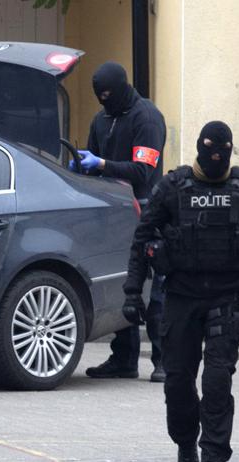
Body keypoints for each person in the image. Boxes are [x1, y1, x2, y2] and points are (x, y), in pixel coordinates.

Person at [124, 121, 239, 462]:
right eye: (210, 148)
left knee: (218, 380)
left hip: (227, 296)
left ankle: (213, 459)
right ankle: (186, 440)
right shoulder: (174, 187)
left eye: (223, 149)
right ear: (198, 148)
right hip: (182, 297)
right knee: (177, 382)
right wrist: (131, 293)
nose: (216, 155)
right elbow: (142, 239)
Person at [72, 61, 167, 382]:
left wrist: (101, 163)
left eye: (109, 95)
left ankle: (163, 360)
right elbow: (96, 163)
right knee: (123, 286)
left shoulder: (147, 118)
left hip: (148, 212)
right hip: (113, 215)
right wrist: (84, 165)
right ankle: (123, 358)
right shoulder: (102, 119)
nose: (104, 101)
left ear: (122, 88)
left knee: (156, 288)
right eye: (100, 96)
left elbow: (144, 172)